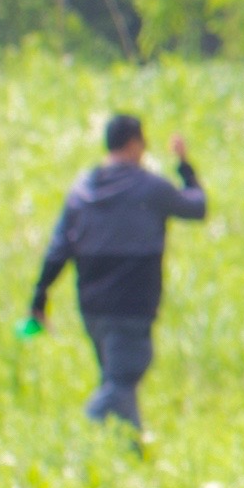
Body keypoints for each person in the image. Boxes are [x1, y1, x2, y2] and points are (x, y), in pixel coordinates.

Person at [23, 116, 209, 435]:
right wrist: (184, 165)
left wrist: (40, 298)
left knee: (118, 384)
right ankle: (72, 439)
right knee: (121, 383)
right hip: (133, 304)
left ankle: (133, 454)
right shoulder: (150, 188)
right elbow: (197, 207)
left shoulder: (82, 190)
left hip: (93, 307)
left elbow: (58, 249)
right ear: (135, 143)